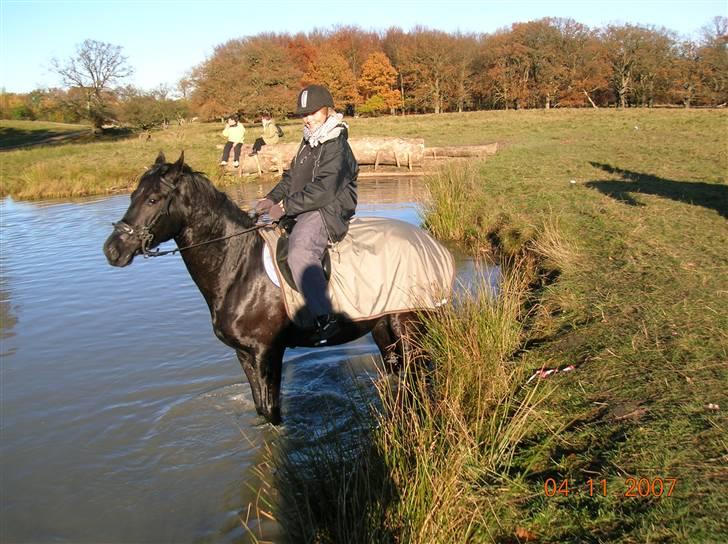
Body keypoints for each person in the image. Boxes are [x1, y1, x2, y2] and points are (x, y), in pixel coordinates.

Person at [255, 85, 358, 345]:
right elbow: (292, 178)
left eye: (312, 112)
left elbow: (325, 189)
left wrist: (286, 207)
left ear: (327, 110)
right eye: (304, 114)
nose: (308, 118)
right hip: (306, 203)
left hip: (329, 208)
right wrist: (270, 199)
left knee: (300, 251)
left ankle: (326, 317)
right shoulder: (309, 140)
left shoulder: (336, 144)